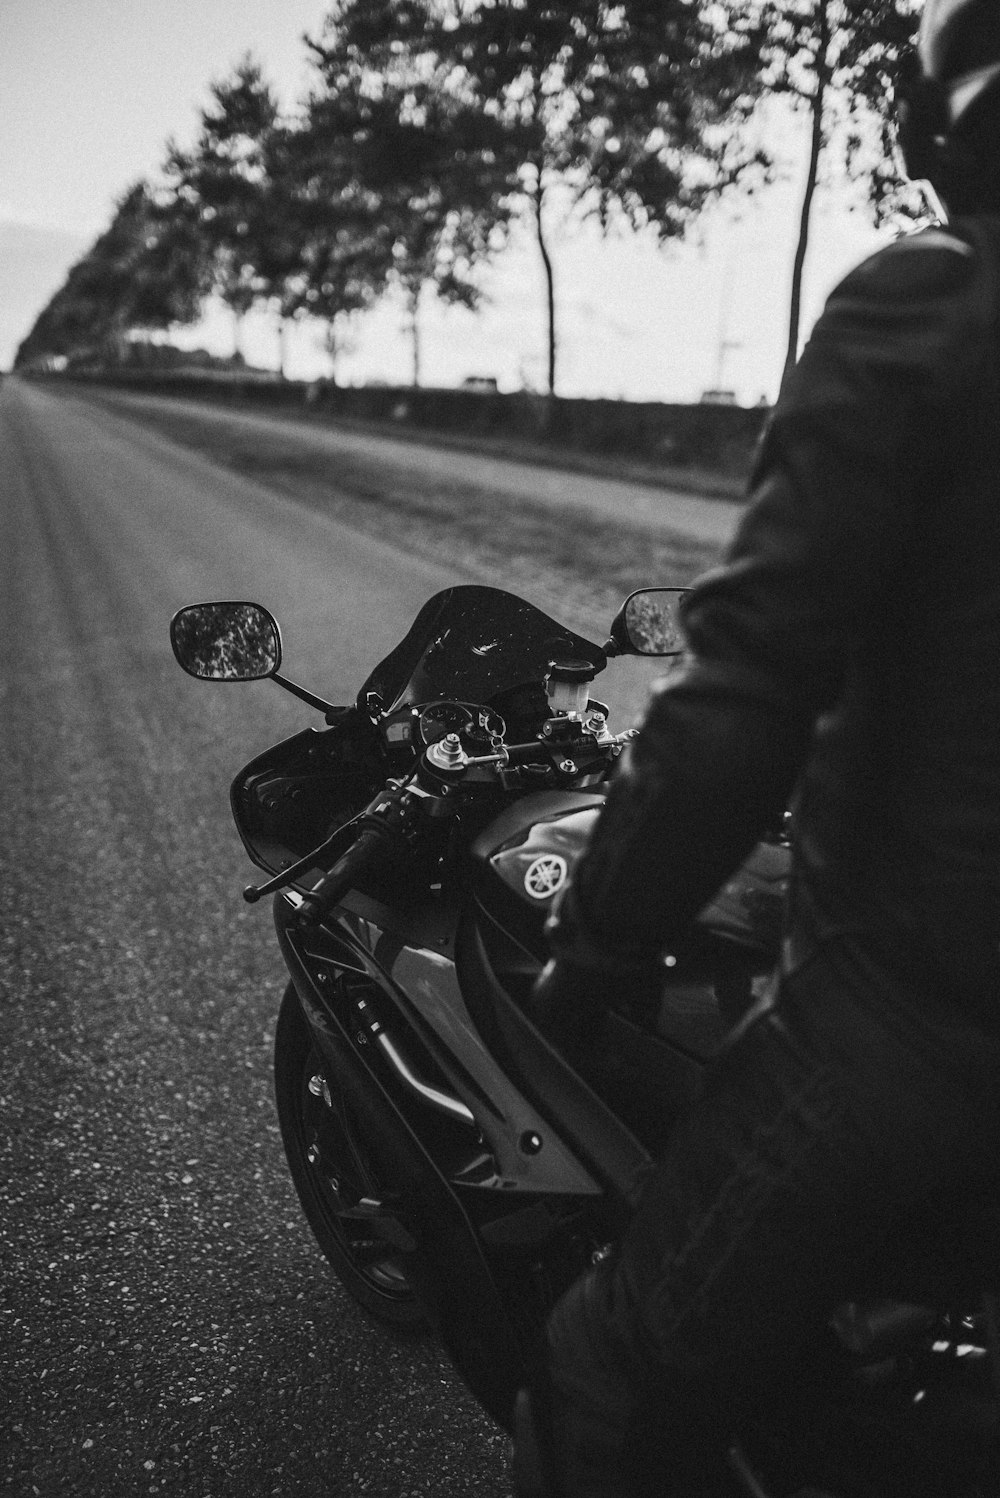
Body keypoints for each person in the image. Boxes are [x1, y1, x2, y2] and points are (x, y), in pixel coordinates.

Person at [513, 2, 1000, 1493]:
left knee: (602, 1379)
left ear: (943, 124)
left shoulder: (931, 307)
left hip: (921, 1019)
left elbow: (745, 697)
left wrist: (592, 955)